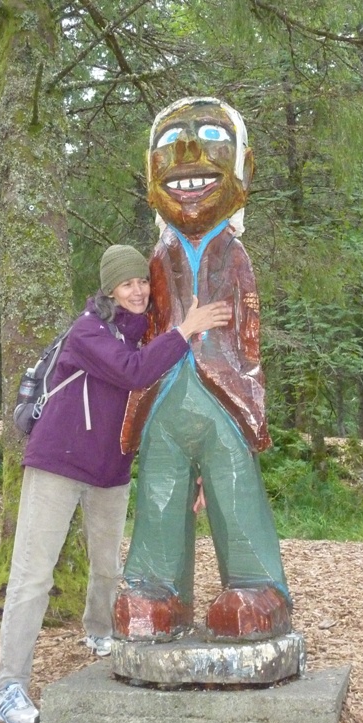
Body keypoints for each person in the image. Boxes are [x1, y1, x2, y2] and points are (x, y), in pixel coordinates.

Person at [0, 243, 231, 723]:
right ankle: (8, 685)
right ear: (109, 288)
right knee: (33, 577)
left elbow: (159, 391)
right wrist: (186, 330)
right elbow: (133, 371)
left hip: (109, 469)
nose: (138, 290)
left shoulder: (146, 331)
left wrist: (198, 459)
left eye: (142, 281)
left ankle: (99, 633)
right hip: (57, 463)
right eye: (127, 283)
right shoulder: (87, 332)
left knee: (107, 568)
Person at [114, 97, 292, 643]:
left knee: (233, 486)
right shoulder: (152, 260)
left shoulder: (234, 255)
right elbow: (138, 328)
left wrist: (251, 396)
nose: (189, 155)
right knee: (160, 491)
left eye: (210, 135)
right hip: (164, 392)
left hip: (223, 393)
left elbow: (248, 335)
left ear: (244, 166)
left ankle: (258, 586)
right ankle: (154, 589)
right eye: (169, 143)